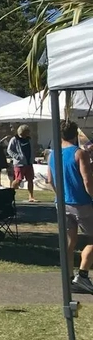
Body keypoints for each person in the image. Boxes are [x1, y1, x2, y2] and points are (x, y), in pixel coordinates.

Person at [48, 120, 93, 294]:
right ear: (75, 134)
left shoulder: (53, 154)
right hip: (81, 202)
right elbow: (87, 181)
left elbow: (50, 180)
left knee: (69, 241)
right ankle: (82, 275)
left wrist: (60, 195)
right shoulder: (79, 154)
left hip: (63, 203)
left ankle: (67, 278)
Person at [8, 125, 37, 203]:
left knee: (30, 179)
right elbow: (9, 150)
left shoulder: (29, 139)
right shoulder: (14, 139)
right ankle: (9, 195)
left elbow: (31, 149)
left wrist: (32, 158)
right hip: (19, 164)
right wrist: (17, 156)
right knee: (18, 180)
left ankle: (31, 196)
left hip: (29, 163)